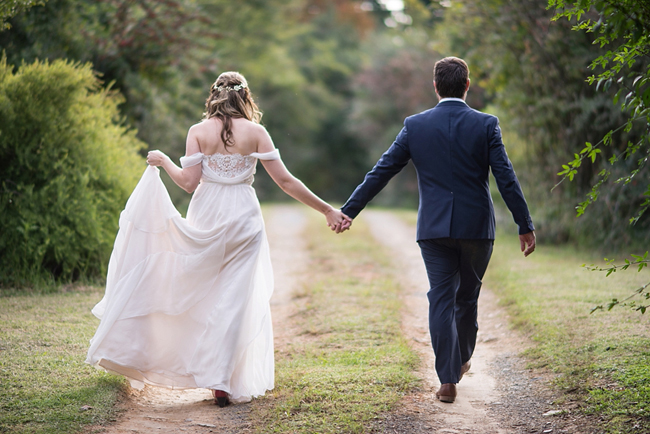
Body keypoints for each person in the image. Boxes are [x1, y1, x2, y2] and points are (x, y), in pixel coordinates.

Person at [86, 71, 349, 407]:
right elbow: (285, 181)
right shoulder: (257, 132)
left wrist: (164, 161)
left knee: (206, 295)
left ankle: (210, 371)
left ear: (213, 95)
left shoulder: (198, 132)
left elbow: (188, 183)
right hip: (243, 217)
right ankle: (221, 380)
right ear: (245, 96)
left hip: (207, 212)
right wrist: (327, 210)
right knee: (234, 301)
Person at [337, 57, 536, 403]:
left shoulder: (415, 126)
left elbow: (381, 171)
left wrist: (349, 210)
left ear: (435, 86)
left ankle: (447, 379)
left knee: (440, 298)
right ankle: (460, 361)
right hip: (476, 228)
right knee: (467, 297)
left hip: (433, 229)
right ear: (467, 85)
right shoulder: (486, 124)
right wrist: (524, 224)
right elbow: (506, 177)